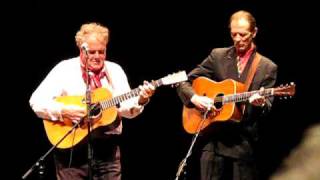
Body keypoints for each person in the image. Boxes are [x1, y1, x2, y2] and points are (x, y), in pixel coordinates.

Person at [29, 22, 155, 180]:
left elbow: (125, 109)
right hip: (71, 150)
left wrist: (142, 99)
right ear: (81, 50)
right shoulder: (64, 69)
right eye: (92, 52)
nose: (97, 57)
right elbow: (36, 101)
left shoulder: (115, 70)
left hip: (107, 151)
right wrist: (63, 111)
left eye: (101, 52)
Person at [176, 10, 277, 180]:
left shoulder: (267, 67)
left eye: (243, 35)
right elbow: (183, 81)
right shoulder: (218, 56)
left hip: (244, 145)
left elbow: (268, 106)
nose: (237, 39)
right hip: (213, 141)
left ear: (254, 32)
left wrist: (260, 103)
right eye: (233, 34)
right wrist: (195, 98)